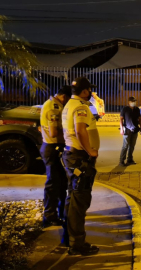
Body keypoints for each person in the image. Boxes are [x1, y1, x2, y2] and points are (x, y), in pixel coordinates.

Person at [61, 77, 100, 256]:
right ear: (85, 91)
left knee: (73, 198)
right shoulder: (81, 106)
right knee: (79, 200)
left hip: (71, 155)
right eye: (89, 89)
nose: (90, 92)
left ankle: (69, 239)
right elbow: (80, 130)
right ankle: (77, 244)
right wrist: (90, 151)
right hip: (79, 157)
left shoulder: (69, 104)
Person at [40, 85, 72, 228]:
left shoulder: (51, 104)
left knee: (60, 182)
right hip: (52, 147)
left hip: (51, 147)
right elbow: (53, 132)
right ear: (64, 96)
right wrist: (69, 137)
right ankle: (49, 216)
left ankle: (59, 212)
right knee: (53, 183)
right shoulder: (54, 107)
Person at [119, 96, 141, 166]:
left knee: (132, 146)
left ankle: (130, 159)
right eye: (132, 101)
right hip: (127, 130)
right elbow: (121, 119)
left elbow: (140, 119)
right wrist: (121, 129)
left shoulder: (137, 109)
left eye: (134, 101)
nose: (134, 103)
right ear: (129, 102)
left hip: (135, 130)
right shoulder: (125, 109)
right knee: (125, 146)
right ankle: (121, 161)